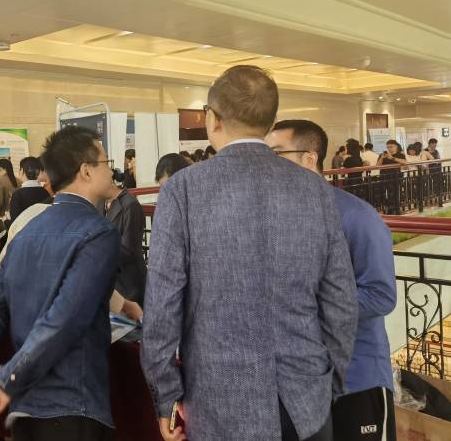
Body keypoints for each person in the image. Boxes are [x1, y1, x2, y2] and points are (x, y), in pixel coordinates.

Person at [141, 65, 357, 441]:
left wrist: (166, 397)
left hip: (218, 406)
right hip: (306, 402)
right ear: (270, 121)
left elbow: (162, 306)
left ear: (213, 118)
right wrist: (329, 383)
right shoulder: (316, 190)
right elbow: (341, 302)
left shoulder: (183, 190)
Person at [0, 126, 120, 441]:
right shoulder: (99, 232)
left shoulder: (27, 231)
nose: (112, 170)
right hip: (72, 405)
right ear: (86, 171)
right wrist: (9, 375)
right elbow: (65, 318)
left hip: (24, 408)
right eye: (105, 162)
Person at [267, 120, 397, 441]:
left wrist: (309, 306)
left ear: (309, 159)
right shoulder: (273, 216)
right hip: (299, 381)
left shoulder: (356, 217)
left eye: (276, 154)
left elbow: (381, 295)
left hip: (357, 377)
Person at [105, 177, 146, 305]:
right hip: (111, 280)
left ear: (111, 181)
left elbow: (129, 248)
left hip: (129, 282)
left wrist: (99, 253)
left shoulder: (130, 204)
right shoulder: (101, 203)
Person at [9, 157, 51, 222]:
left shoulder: (17, 195)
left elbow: (15, 222)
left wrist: (5, 221)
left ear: (22, 171)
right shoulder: (45, 192)